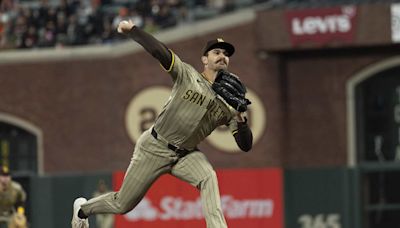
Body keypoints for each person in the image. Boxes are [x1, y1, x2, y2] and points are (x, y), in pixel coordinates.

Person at [71, 19, 253, 228]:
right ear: (204, 59)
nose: (223, 56)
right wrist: (133, 31)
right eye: (217, 52)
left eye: (226, 54)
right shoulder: (188, 75)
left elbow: (245, 145)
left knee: (208, 177)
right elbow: (161, 52)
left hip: (186, 154)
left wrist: (240, 116)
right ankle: (83, 210)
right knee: (123, 203)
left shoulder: (229, 101)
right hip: (155, 147)